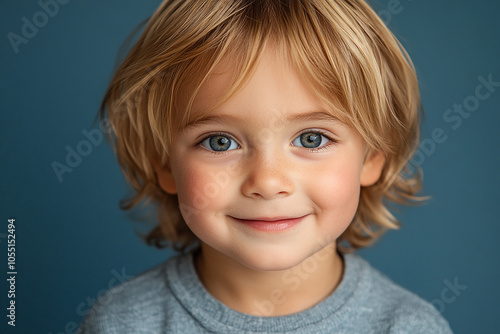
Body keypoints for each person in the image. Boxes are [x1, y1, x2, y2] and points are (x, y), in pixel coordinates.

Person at [78, 0, 452, 332]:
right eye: (219, 142)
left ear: (373, 156)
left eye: (312, 138)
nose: (268, 182)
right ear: (163, 164)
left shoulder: (408, 327)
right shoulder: (121, 323)